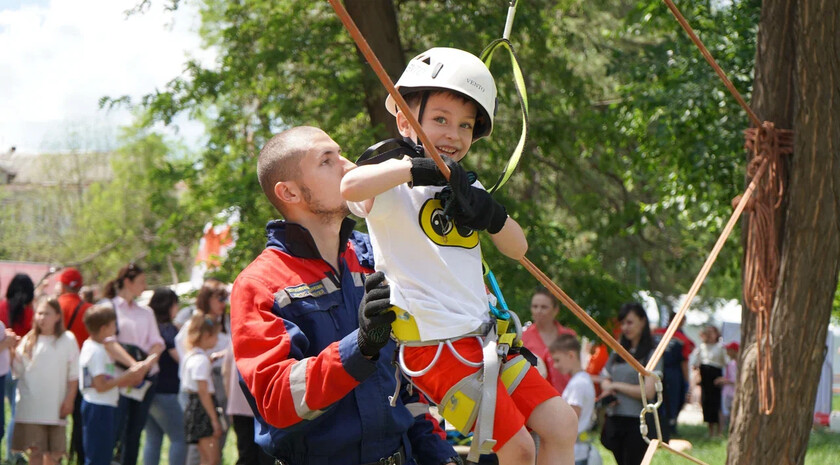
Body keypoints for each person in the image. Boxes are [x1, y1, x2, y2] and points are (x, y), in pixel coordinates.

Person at [341, 47, 577, 464]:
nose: (453, 134)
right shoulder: (389, 174)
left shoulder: (468, 186)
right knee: (518, 448)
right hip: (435, 346)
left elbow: (518, 248)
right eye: (440, 120)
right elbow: (350, 188)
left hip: (484, 339)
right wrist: (413, 168)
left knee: (562, 423)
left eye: (465, 125)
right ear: (404, 119)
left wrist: (491, 213)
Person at [230, 125, 460, 465]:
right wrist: (360, 348)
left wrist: (440, 455)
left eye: (341, 154)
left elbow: (409, 380)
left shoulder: (378, 255)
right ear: (289, 192)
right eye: (327, 160)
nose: (350, 166)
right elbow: (277, 400)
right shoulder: (258, 285)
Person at [103, 263, 165, 465]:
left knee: (135, 432)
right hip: (120, 378)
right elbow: (108, 342)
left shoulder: (146, 312)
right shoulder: (108, 307)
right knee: (115, 429)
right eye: (141, 282)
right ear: (127, 282)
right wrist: (133, 367)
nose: (144, 286)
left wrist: (145, 366)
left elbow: (157, 343)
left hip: (145, 379)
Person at [79, 304, 152, 465]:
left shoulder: (95, 346)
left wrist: (128, 378)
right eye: (113, 325)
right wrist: (127, 376)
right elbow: (101, 385)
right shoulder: (96, 351)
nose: (115, 329)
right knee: (98, 456)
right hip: (98, 407)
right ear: (104, 328)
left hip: (101, 405)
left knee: (103, 454)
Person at [11, 298, 80, 465]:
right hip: (32, 406)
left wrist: (69, 400)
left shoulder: (67, 340)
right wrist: (12, 350)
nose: (42, 318)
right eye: (39, 313)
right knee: (35, 452)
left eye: (47, 314)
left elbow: (73, 375)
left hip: (55, 406)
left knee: (54, 454)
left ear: (57, 316)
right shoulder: (29, 340)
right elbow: (18, 370)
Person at [599, 303, 666, 465]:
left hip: (637, 422)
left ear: (642, 321)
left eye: (629, 322)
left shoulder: (652, 353)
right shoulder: (618, 351)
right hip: (614, 419)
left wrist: (616, 386)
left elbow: (649, 392)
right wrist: (608, 387)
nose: (625, 327)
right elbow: (605, 377)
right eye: (622, 323)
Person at [175, 279, 231, 465]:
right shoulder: (197, 321)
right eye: (219, 298)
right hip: (202, 387)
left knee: (217, 439)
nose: (223, 303)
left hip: (220, 381)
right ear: (207, 299)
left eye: (225, 299)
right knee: (202, 446)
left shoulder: (224, 321)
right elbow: (183, 344)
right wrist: (200, 363)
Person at [144, 288, 187, 465]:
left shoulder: (150, 328)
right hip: (167, 392)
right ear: (169, 306)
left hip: (148, 389)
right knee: (180, 438)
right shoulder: (168, 330)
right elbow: (181, 358)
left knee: (153, 439)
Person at [56, 267, 93, 465]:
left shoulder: (54, 307)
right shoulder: (88, 310)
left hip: (56, 371)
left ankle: (54, 458)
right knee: (80, 421)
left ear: (62, 284)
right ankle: (79, 458)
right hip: (80, 372)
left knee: (55, 420)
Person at [0, 273, 35, 460]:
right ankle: (12, 454)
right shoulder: (29, 312)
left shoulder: (1, 307)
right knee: (16, 411)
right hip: (20, 366)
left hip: (3, 366)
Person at [550, 335, 599, 465]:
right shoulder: (582, 380)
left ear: (571, 356)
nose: (555, 366)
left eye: (557, 360)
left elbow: (569, 421)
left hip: (575, 454)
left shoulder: (578, 384)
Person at [181, 314, 223, 465]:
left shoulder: (191, 356)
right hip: (202, 408)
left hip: (194, 406)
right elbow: (203, 392)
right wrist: (214, 420)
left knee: (205, 457)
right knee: (212, 459)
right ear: (206, 335)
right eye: (215, 337)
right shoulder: (201, 360)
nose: (217, 341)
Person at [522, 287, 578, 394]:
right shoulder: (523, 337)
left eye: (544, 307)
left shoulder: (569, 336)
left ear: (555, 310)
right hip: (537, 398)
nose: (538, 311)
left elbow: (577, 369)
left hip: (567, 398)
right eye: (535, 306)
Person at [223, 349, 272, 465]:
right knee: (266, 454)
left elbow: (225, 371)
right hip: (263, 407)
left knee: (245, 453)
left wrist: (230, 401)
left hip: (239, 406)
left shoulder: (234, 341)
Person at [652, 312, 695, 436]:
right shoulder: (683, 339)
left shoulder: (655, 334)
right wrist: (687, 382)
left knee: (657, 399)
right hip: (673, 373)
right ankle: (670, 426)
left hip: (654, 372)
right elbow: (684, 362)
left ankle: (657, 425)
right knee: (673, 400)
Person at [693, 325, 725, 438]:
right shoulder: (701, 347)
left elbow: (726, 363)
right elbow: (696, 364)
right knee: (706, 403)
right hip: (705, 377)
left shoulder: (720, 347)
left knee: (717, 404)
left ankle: (719, 431)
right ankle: (710, 431)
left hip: (715, 376)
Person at [715, 341, 738, 430]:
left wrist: (725, 381)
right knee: (724, 411)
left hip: (735, 391)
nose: (727, 352)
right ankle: (722, 430)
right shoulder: (730, 364)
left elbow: (736, 380)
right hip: (727, 391)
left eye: (729, 350)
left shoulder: (738, 363)